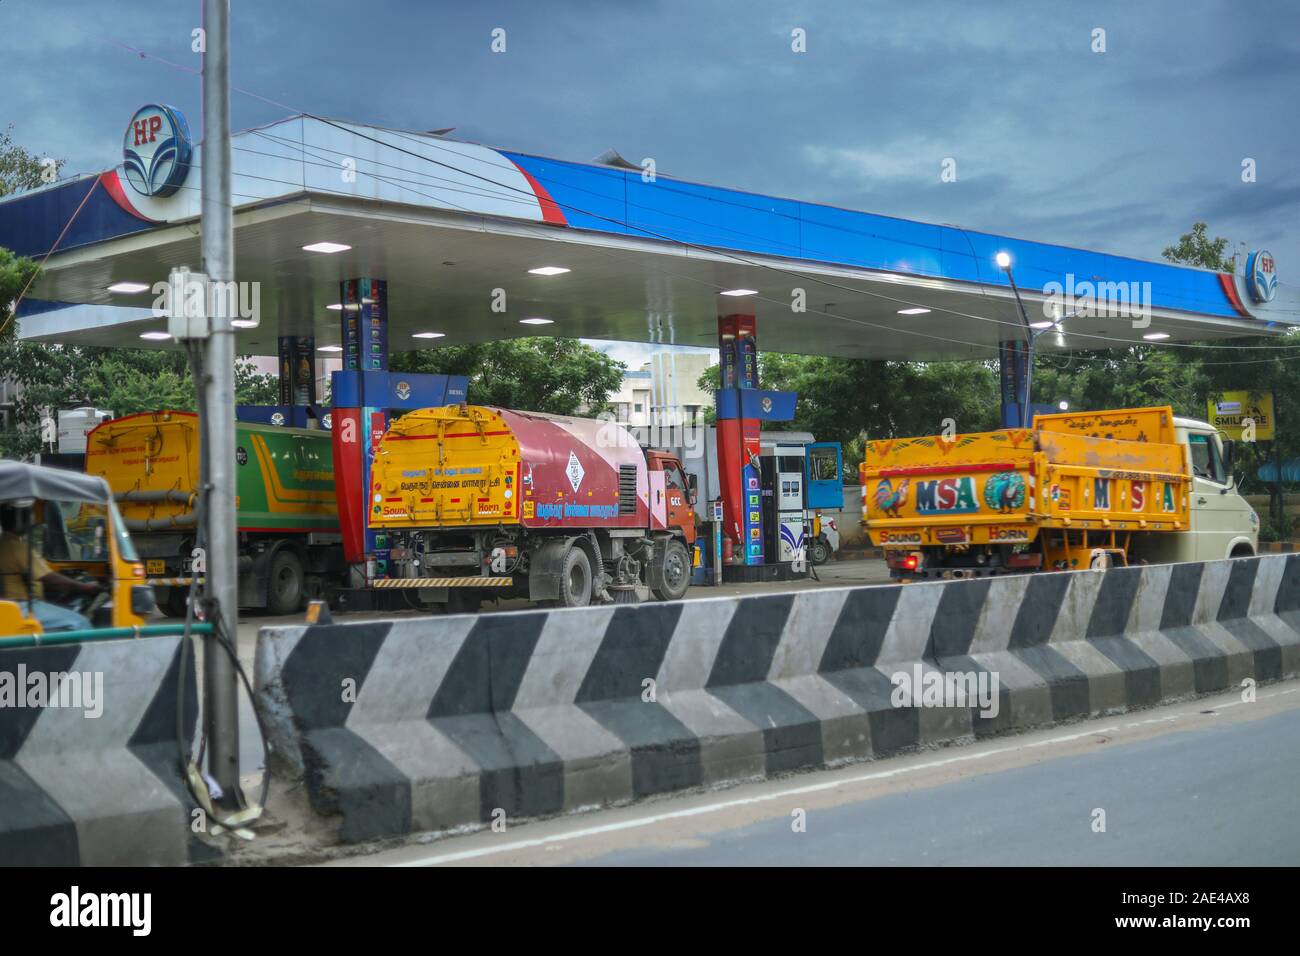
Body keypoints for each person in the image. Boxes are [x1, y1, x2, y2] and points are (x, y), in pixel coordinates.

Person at [0, 501, 99, 632]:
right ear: (19, 520)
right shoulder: (17, 548)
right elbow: (50, 579)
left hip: (11, 605)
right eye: (30, 517)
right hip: (21, 606)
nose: (32, 522)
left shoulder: (5, 544)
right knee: (80, 622)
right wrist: (86, 587)